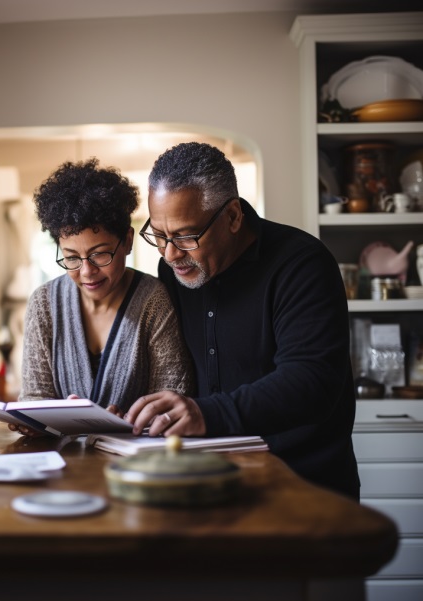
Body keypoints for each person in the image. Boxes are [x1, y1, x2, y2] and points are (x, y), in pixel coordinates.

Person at [125, 142, 360, 500]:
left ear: (233, 217)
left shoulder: (302, 264)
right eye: (159, 235)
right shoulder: (174, 269)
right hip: (212, 479)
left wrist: (208, 413)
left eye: (186, 236)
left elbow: (313, 381)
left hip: (306, 487)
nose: (171, 254)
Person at [10, 158, 194, 434]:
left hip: (136, 462)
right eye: (72, 257)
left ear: (128, 241)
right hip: (64, 465)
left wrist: (127, 420)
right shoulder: (44, 303)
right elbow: (35, 398)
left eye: (99, 254)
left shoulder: (153, 301)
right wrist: (38, 418)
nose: (87, 271)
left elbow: (171, 398)